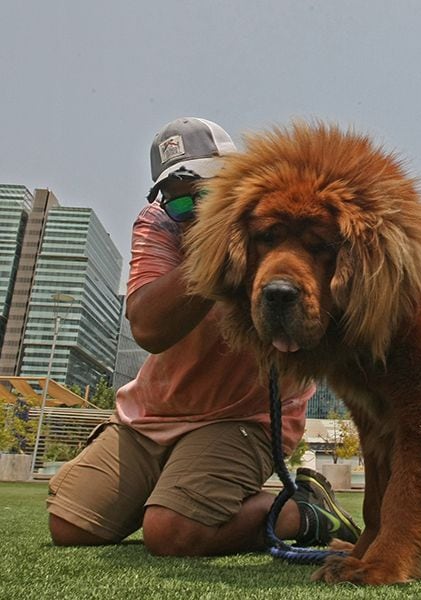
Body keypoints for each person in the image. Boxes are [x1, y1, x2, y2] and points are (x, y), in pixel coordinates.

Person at [46, 117, 365, 556]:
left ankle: (306, 511)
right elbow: (147, 327)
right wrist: (216, 248)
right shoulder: (160, 224)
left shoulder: (269, 215)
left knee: (171, 533)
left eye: (209, 192)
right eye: (181, 204)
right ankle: (181, 487)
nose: (195, 211)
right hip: (151, 414)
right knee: (71, 525)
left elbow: (401, 218)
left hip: (245, 417)